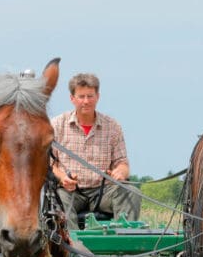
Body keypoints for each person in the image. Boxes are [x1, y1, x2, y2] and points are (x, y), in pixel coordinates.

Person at [51, 73, 141, 229]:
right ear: (72, 98)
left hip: (103, 191)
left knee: (131, 191)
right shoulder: (57, 124)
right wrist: (62, 178)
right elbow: (50, 164)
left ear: (97, 97)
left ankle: (123, 244)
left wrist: (120, 172)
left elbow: (122, 163)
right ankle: (73, 248)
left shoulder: (112, 126)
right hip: (71, 192)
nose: (86, 101)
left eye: (90, 96)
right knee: (58, 197)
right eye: (81, 96)